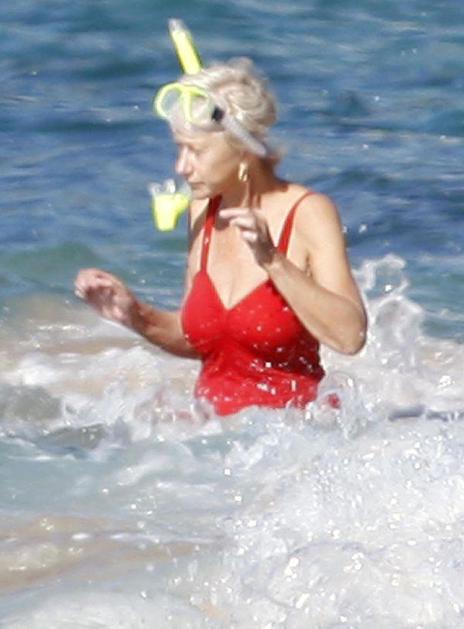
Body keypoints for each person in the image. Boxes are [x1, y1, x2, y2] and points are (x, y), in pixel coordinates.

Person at [74, 59, 367, 417]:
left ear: (241, 149)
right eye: (179, 148)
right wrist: (137, 316)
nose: (181, 167)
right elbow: (204, 340)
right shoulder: (203, 209)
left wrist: (272, 259)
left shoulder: (308, 212)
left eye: (195, 151)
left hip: (294, 436)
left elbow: (350, 337)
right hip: (213, 439)